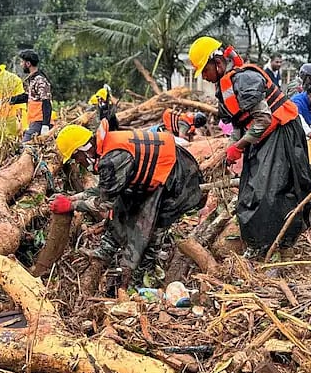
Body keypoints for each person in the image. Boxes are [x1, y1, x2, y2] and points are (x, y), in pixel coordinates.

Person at [188, 36, 311, 257]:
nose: (205, 77)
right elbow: (240, 121)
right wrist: (231, 149)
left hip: (282, 132)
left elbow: (263, 119)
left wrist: (240, 146)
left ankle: (280, 246)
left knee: (271, 193)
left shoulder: (245, 79)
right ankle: (260, 244)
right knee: (250, 190)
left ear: (217, 63)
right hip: (263, 136)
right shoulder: (226, 84)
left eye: (204, 71)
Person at [49, 121, 203, 292]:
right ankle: (106, 250)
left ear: (82, 151)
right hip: (157, 176)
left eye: (76, 158)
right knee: (123, 206)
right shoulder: (105, 149)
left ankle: (143, 279)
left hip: (178, 180)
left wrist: (72, 206)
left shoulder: (113, 159)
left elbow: (104, 203)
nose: (78, 163)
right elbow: (104, 190)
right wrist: (72, 198)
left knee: (153, 228)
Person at [6, 49, 53, 142]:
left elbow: (46, 102)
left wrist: (45, 125)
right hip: (34, 121)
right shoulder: (32, 79)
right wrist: (7, 100)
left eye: (22, 62)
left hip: (39, 122)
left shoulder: (40, 80)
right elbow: (27, 96)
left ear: (28, 64)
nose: (20, 64)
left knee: (25, 146)